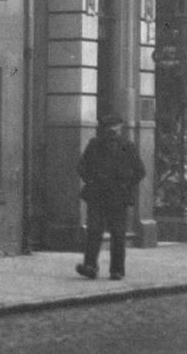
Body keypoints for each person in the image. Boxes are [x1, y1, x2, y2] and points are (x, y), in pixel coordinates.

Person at [76, 113, 145, 281]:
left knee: (111, 233)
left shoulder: (125, 146)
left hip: (111, 195)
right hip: (102, 195)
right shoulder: (98, 145)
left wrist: (125, 186)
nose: (113, 132)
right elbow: (82, 166)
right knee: (101, 232)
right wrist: (91, 180)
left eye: (114, 129)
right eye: (112, 129)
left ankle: (110, 269)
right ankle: (98, 267)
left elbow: (140, 171)